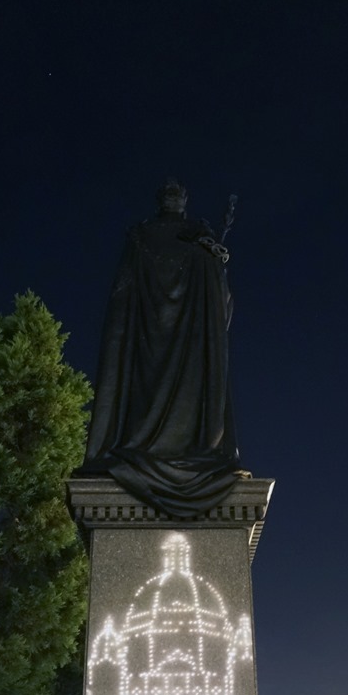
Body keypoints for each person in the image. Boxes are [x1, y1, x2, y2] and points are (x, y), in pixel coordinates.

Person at [75, 180, 244, 517]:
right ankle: (148, 447)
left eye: (177, 193)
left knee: (188, 395)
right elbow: (125, 296)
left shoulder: (197, 235)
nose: (172, 197)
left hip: (189, 343)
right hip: (148, 338)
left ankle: (183, 450)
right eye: (168, 194)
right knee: (145, 393)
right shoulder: (144, 236)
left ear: (184, 199)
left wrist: (214, 262)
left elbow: (216, 296)